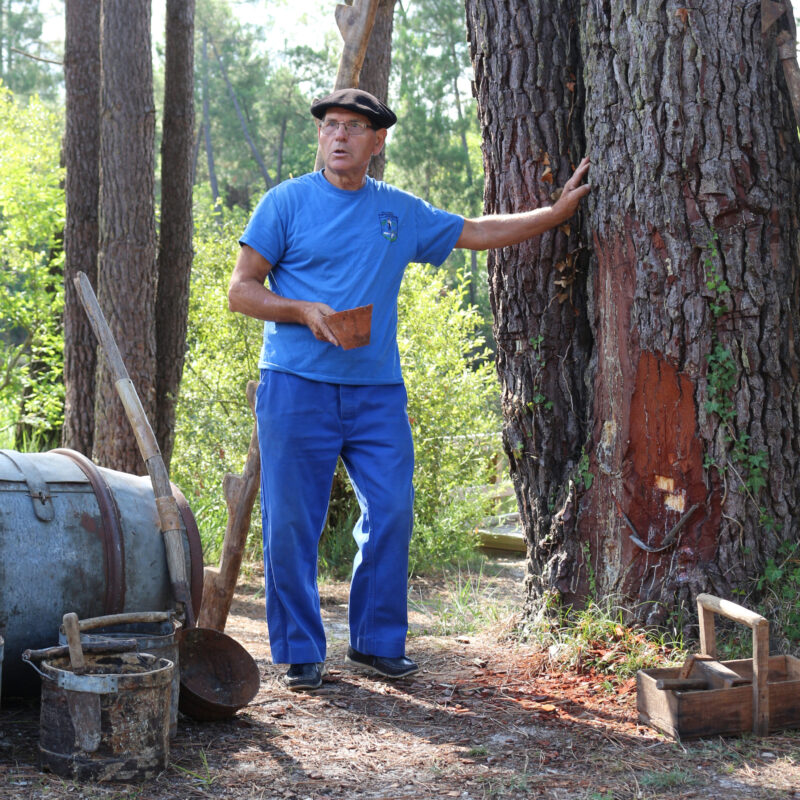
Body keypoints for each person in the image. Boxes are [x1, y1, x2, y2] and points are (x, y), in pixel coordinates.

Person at [228, 88, 590, 691]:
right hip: (296, 387)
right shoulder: (285, 202)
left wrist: (552, 216)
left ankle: (375, 642)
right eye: (330, 126)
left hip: (376, 392)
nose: (339, 136)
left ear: (378, 141)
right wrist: (300, 310)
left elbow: (474, 230)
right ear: (320, 136)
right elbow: (242, 289)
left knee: (392, 510)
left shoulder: (397, 211)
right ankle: (299, 652)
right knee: (292, 521)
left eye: (353, 128)